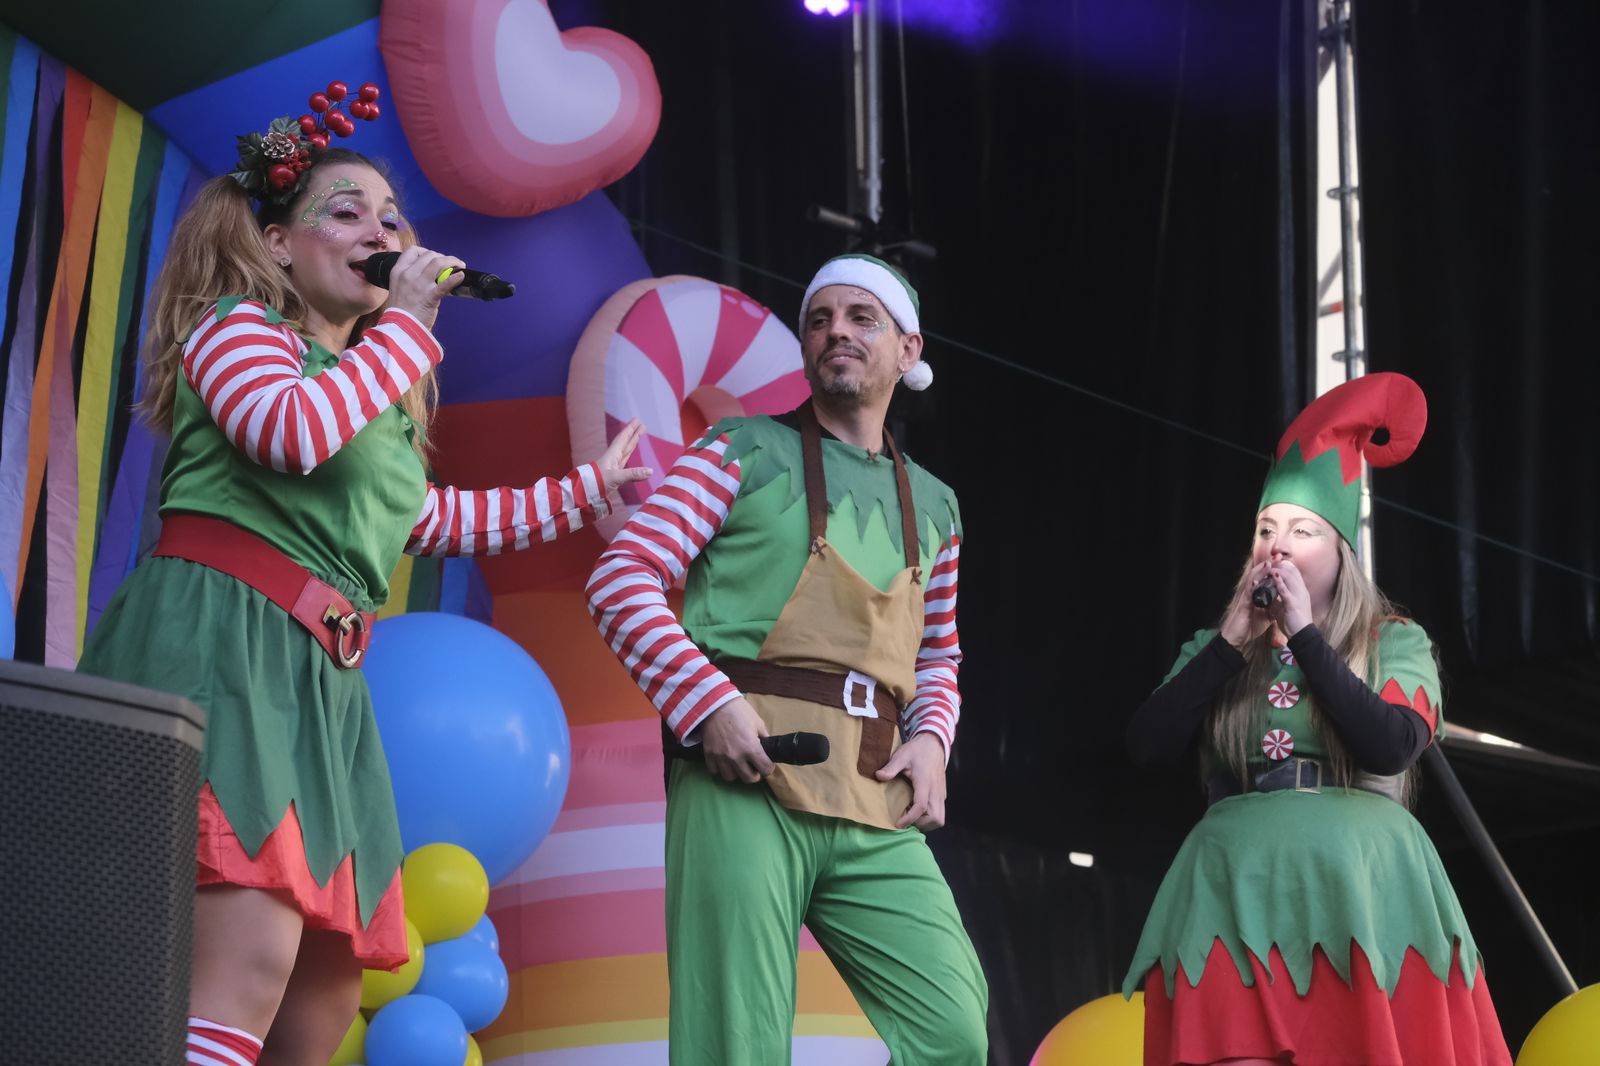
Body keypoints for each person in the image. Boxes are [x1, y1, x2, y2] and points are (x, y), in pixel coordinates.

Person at [76, 83, 651, 1066]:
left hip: (319, 685)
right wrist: (413, 323)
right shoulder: (238, 331)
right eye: (343, 212)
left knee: (322, 993)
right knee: (248, 953)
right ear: (275, 245)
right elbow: (291, 434)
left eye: (391, 218)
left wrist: (581, 490)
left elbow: (424, 518)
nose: (379, 230)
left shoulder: (373, 400)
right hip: (227, 642)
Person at [586, 254, 988, 1063]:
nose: (835, 329)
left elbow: (938, 650)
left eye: (861, 317)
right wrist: (707, 706)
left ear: (909, 351)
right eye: (819, 318)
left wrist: (934, 740)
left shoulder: (938, 505)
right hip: (746, 780)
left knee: (953, 1033)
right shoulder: (739, 449)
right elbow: (621, 579)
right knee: (738, 1047)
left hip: (876, 793)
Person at [1122, 372, 1512, 1065]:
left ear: (1340, 555)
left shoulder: (1394, 641)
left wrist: (1306, 635)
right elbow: (1145, 747)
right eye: (1266, 529)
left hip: (1361, 886)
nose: (1278, 545)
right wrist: (1229, 645)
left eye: (1303, 531)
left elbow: (1391, 744)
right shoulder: (1216, 649)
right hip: (1230, 886)